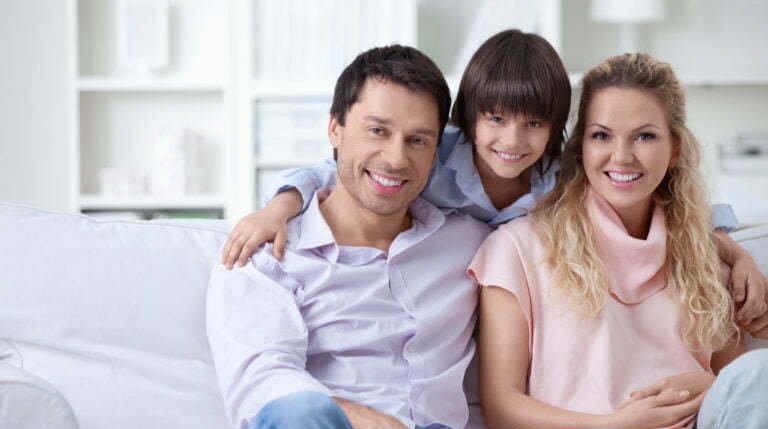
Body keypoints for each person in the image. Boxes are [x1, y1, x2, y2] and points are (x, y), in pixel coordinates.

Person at [206, 45, 658, 429]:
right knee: (299, 416)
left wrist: (720, 241)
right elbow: (260, 384)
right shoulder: (264, 248)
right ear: (335, 127)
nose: (396, 158)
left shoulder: (471, 238)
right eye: (377, 131)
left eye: (418, 140)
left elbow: (623, 193)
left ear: (440, 147)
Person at [220, 29, 767, 329]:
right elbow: (330, 171)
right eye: (496, 120)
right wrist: (279, 206)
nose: (512, 142)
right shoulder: (431, 157)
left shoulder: (561, 176)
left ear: (555, 130)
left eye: (534, 124)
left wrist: (731, 250)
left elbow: (656, 197)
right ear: (468, 117)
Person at [469, 53, 768, 429]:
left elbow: (743, 389)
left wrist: (714, 387)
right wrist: (616, 427)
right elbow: (502, 410)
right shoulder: (516, 248)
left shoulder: (702, 251)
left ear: (674, 149)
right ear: (580, 148)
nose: (622, 156)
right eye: (601, 136)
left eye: (644, 136)